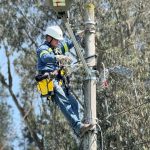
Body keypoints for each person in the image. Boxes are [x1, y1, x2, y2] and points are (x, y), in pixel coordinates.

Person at [36, 25, 93, 137]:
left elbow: (68, 44)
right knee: (65, 103)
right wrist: (57, 58)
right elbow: (45, 57)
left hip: (60, 82)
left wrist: (78, 35)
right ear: (49, 38)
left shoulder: (57, 48)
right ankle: (78, 126)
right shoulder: (42, 49)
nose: (58, 42)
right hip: (50, 82)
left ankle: (78, 130)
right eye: (56, 40)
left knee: (73, 103)